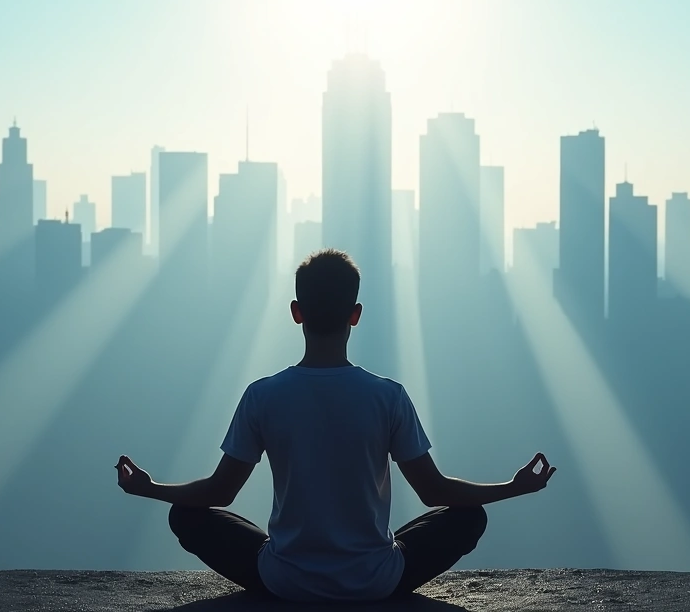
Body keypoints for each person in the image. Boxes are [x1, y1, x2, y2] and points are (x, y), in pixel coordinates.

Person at [116, 249, 557, 602]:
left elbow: (219, 493)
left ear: (296, 312)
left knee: (186, 516)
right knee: (468, 518)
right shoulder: (387, 396)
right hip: (375, 582)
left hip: (284, 581)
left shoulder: (263, 395)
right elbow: (434, 491)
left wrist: (150, 487)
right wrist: (512, 487)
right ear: (356, 313)